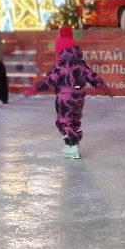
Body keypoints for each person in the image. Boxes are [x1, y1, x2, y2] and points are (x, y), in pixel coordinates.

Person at [35, 26, 106, 159]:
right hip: (79, 97)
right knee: (74, 120)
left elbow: (51, 80)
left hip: (64, 97)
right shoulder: (81, 64)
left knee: (64, 121)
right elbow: (92, 76)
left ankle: (73, 146)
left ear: (60, 52)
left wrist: (36, 88)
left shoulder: (60, 65)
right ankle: (72, 145)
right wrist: (103, 87)